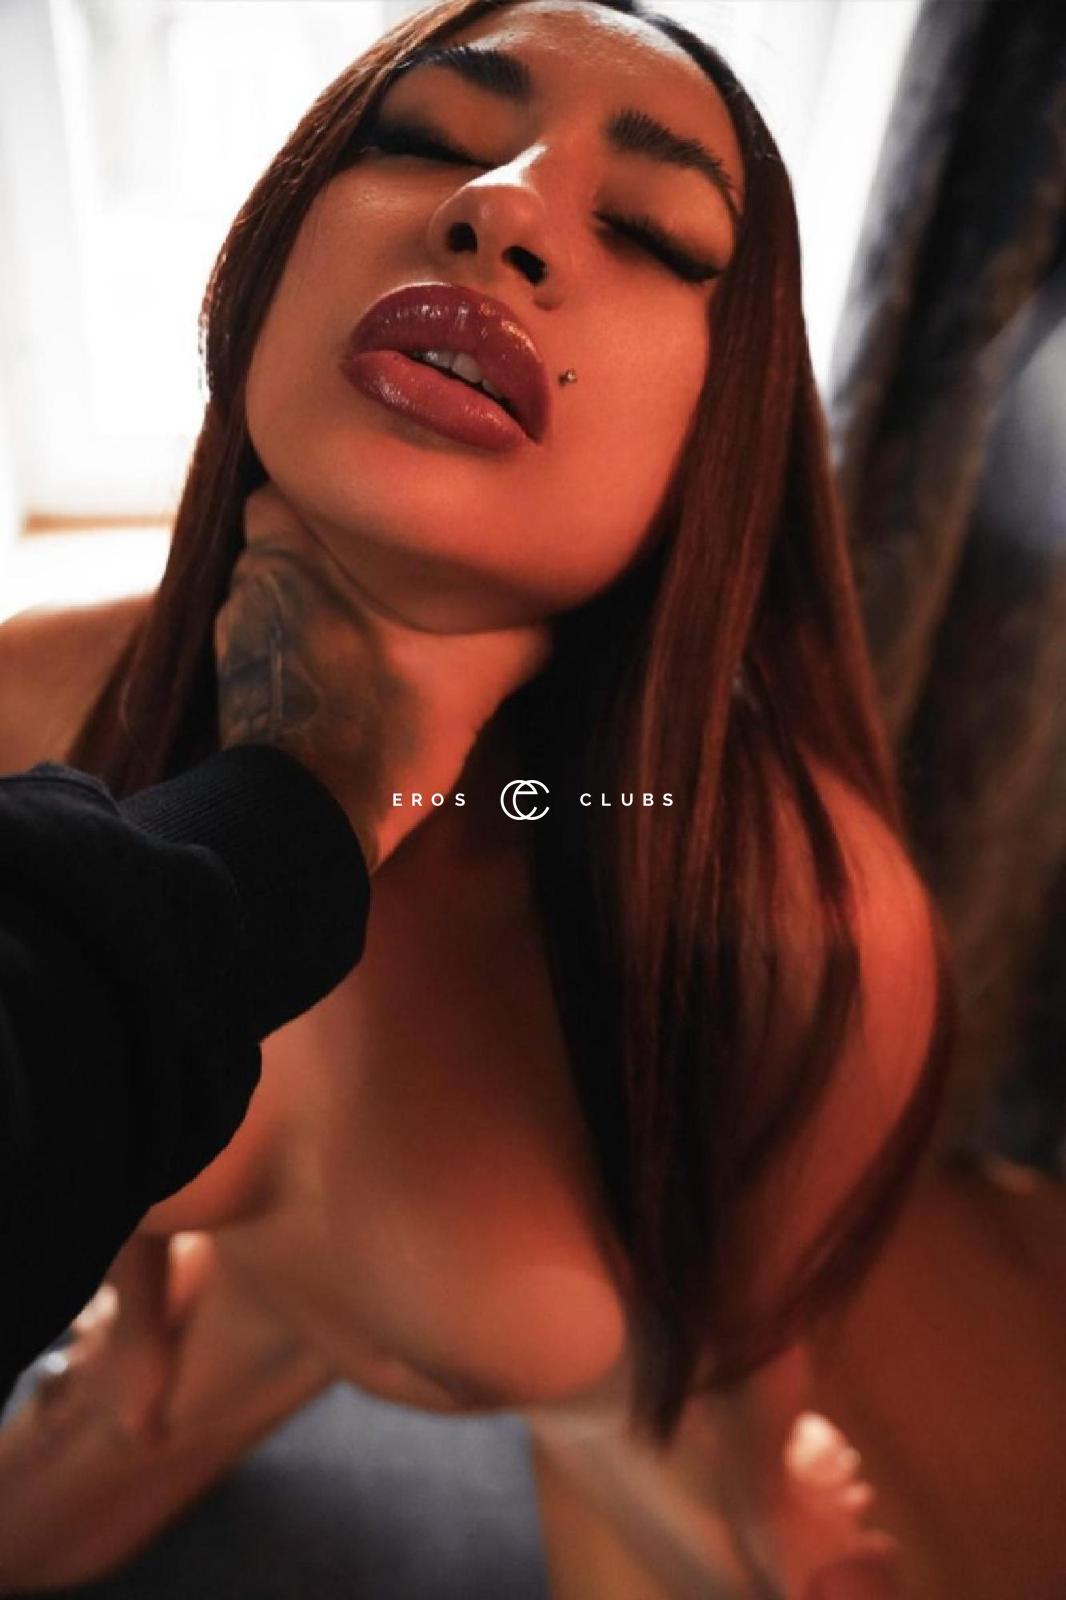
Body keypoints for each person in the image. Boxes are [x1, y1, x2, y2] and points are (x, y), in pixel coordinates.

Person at [0, 2, 959, 1596]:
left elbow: (747, 1325)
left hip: (601, 1412)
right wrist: (138, 1330)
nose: (499, 206)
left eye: (653, 231)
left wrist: (761, 1486)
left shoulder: (808, 922)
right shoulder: (36, 699)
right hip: (233, 1326)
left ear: (719, 440)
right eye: (427, 140)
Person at [0, 482, 547, 1409]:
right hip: (245, 1311)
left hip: (514, 1401)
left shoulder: (739, 875)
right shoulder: (31, 683)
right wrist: (137, 1332)